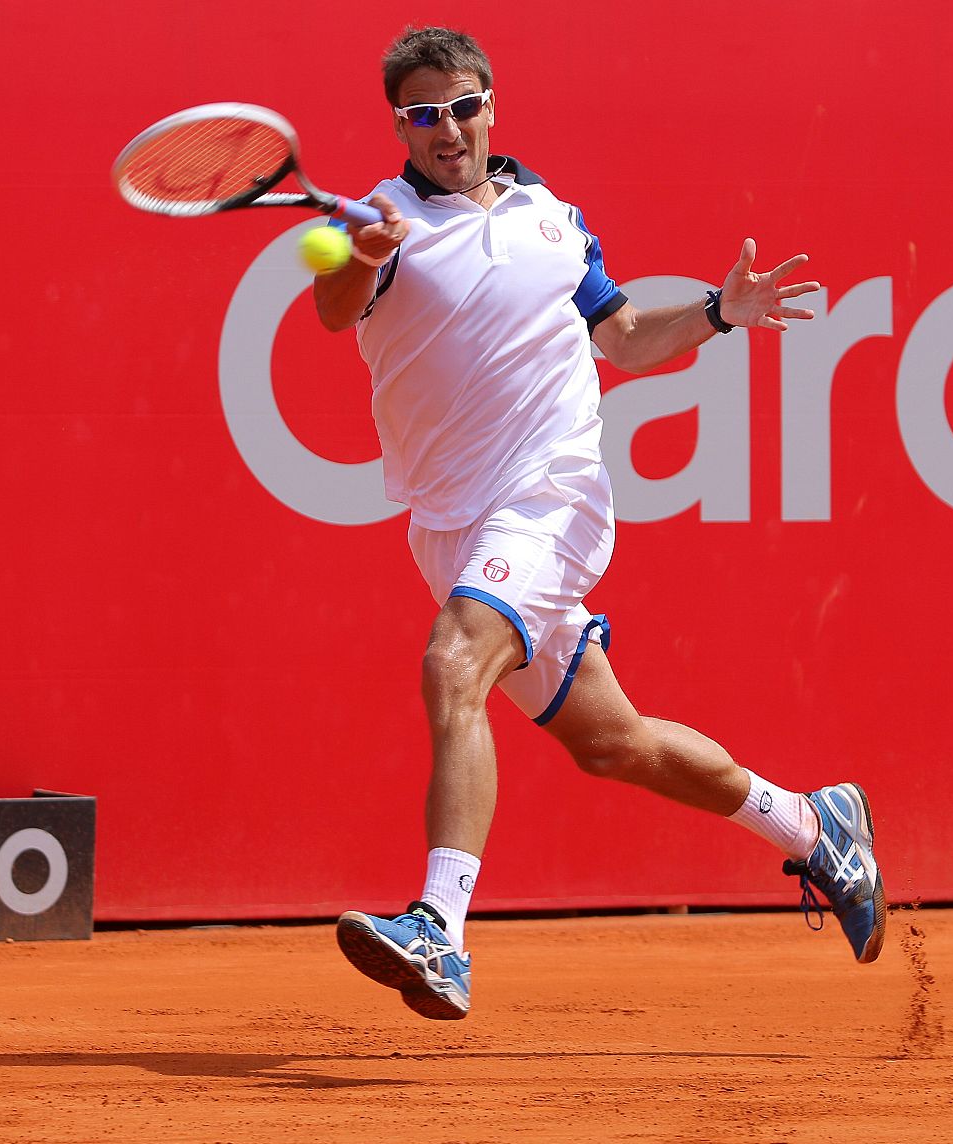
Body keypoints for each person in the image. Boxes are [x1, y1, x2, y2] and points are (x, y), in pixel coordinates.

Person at [314, 25, 884, 1022]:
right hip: (451, 525)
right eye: (423, 114)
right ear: (399, 126)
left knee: (453, 662)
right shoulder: (381, 221)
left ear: (490, 106)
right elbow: (335, 306)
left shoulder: (555, 219)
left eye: (462, 107)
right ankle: (812, 826)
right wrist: (359, 255)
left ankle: (440, 928)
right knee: (612, 743)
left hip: (552, 494)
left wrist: (717, 311)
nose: (447, 129)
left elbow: (621, 336)